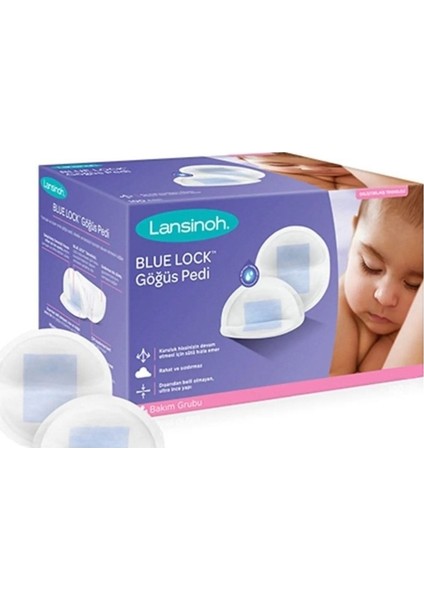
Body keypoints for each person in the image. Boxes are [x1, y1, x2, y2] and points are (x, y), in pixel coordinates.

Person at [330, 186, 423, 375]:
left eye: (413, 285)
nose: (384, 297)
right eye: (370, 266)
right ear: (354, 232)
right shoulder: (334, 313)